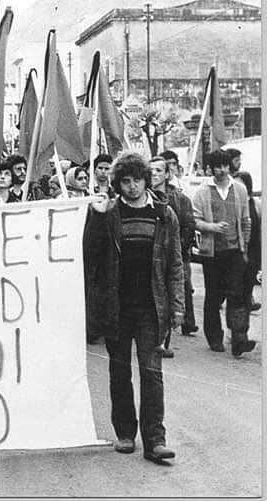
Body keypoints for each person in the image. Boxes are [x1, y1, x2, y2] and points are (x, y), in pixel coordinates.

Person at [84, 152, 183, 464]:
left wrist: (177, 307)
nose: (132, 186)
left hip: (152, 308)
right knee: (119, 372)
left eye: (137, 180)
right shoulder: (109, 213)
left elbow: (175, 263)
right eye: (125, 181)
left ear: (146, 180)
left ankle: (155, 440)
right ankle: (125, 433)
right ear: (118, 183)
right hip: (117, 307)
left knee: (152, 374)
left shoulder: (164, 214)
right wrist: (97, 217)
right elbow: (90, 255)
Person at [192, 150, 255, 356]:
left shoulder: (239, 189)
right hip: (212, 253)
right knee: (214, 296)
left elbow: (246, 220)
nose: (222, 170)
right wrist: (212, 227)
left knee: (237, 294)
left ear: (230, 167)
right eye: (217, 167)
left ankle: (239, 338)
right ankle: (214, 337)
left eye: (225, 166)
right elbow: (195, 220)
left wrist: (244, 247)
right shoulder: (203, 191)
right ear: (211, 169)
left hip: (235, 250)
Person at [150, 156, 197, 356]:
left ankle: (164, 338)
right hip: (152, 255)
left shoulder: (180, 199)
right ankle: (157, 339)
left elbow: (189, 225)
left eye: (158, 170)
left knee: (176, 291)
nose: (154, 174)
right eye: (151, 170)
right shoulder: (143, 197)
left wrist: (178, 247)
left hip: (176, 254)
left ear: (167, 174)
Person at [233, 172, 261, 312]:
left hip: (253, 251)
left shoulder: (256, 204)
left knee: (248, 282)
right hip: (237, 250)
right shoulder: (234, 202)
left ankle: (248, 301)